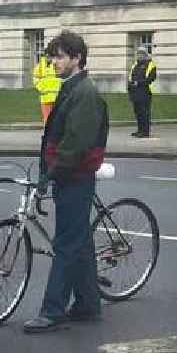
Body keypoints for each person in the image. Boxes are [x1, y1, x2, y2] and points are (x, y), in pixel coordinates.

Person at [24, 30, 109, 334]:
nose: (53, 62)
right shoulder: (70, 87)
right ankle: (87, 303)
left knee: (65, 245)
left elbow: (75, 145)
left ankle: (52, 311)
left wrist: (50, 175)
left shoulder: (85, 93)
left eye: (59, 56)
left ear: (77, 57)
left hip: (75, 178)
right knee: (79, 241)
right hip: (68, 176)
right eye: (52, 56)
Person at [127, 47, 157, 138]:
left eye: (141, 54)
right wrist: (130, 86)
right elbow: (131, 77)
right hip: (135, 92)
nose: (139, 55)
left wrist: (138, 82)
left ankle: (145, 132)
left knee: (144, 113)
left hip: (145, 92)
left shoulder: (150, 64)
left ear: (145, 55)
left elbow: (151, 79)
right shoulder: (135, 64)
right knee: (138, 112)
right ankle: (140, 130)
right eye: (138, 54)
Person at [32, 45, 62, 124]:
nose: (49, 56)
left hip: (56, 98)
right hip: (45, 98)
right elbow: (35, 78)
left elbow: (63, 77)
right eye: (48, 54)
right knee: (47, 119)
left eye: (51, 55)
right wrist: (41, 88)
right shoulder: (40, 66)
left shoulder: (57, 65)